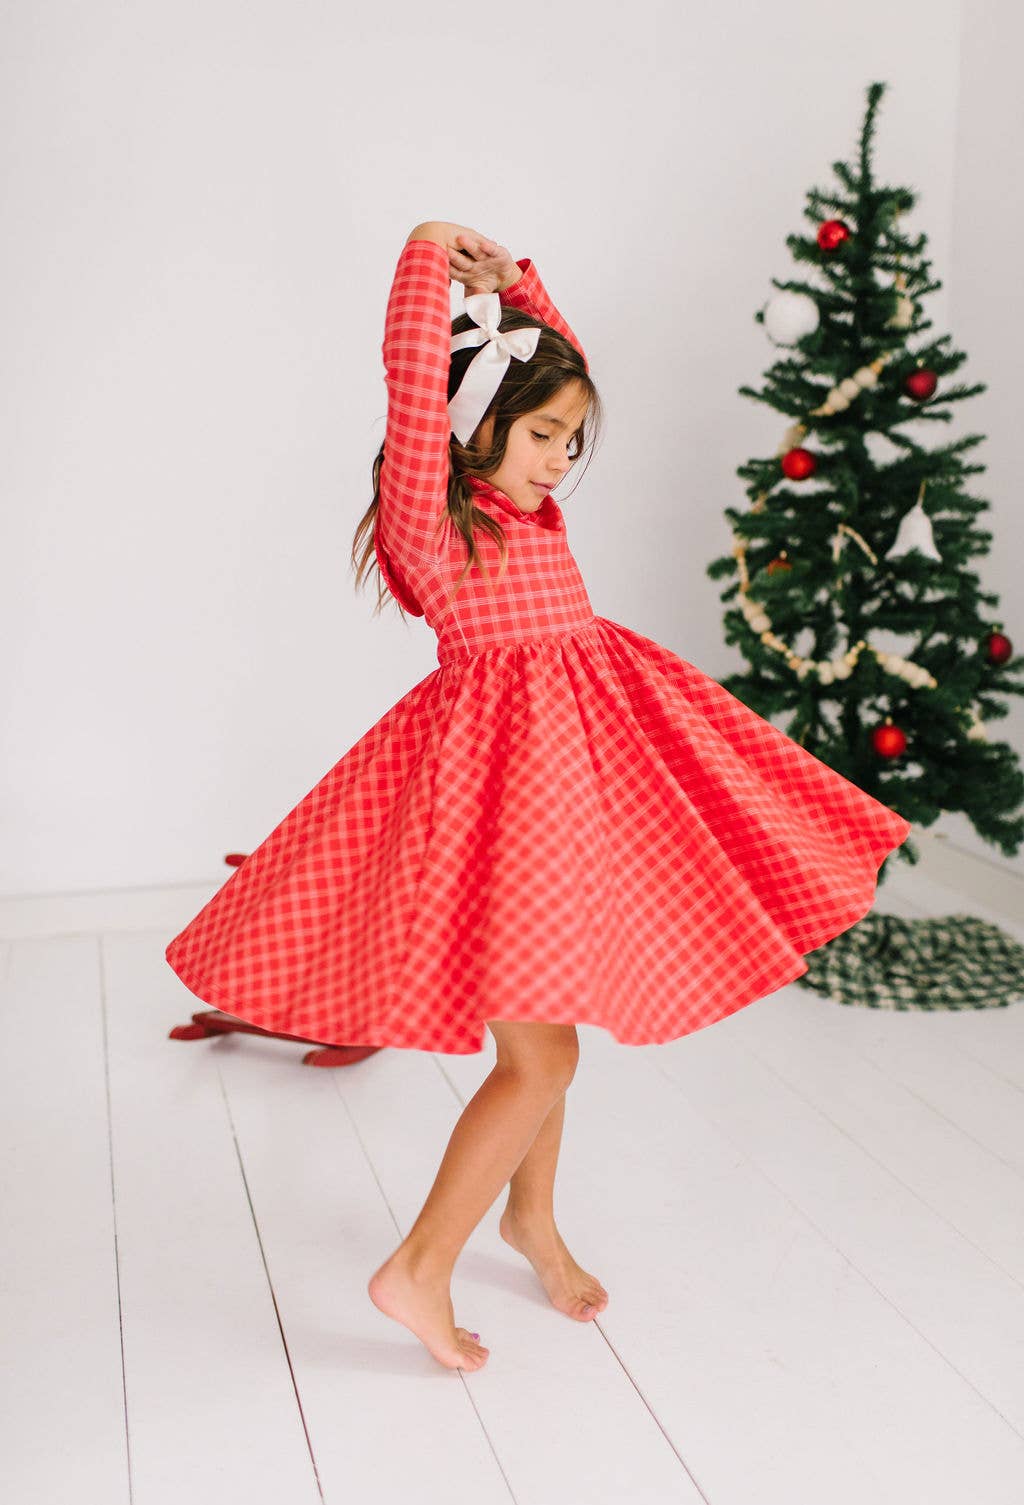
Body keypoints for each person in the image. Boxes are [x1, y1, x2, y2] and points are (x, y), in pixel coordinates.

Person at [165, 219, 912, 1374]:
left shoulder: (531, 511)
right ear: (468, 433)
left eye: (572, 439)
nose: (561, 458)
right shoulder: (436, 513)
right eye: (543, 435)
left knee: (551, 1016)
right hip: (492, 805)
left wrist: (518, 285)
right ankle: (417, 1263)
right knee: (543, 1057)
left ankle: (530, 1220)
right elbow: (416, 378)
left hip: (570, 788)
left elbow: (542, 350)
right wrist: (425, 253)